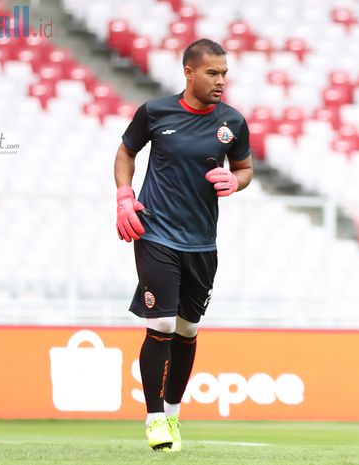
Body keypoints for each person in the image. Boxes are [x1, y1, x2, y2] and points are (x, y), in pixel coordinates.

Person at [113, 38, 253, 451]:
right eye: (213, 73)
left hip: (202, 244)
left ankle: (172, 417)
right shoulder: (155, 112)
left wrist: (236, 182)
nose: (221, 81)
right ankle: (154, 420)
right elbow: (126, 152)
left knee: (188, 331)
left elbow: (244, 168)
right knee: (161, 324)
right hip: (155, 234)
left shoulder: (233, 122)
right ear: (189, 73)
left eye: (225, 73)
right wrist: (125, 196)